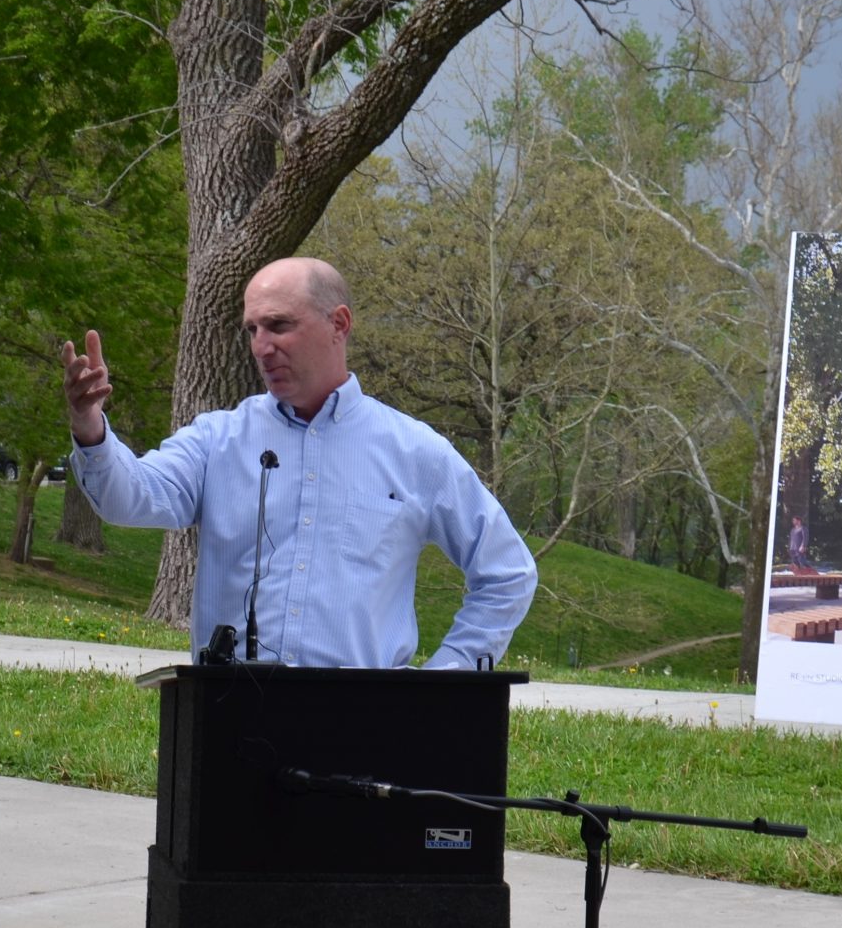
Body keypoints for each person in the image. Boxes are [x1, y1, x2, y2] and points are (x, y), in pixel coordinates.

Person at [61, 257, 536, 669]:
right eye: (252, 329)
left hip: (361, 723)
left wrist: (447, 677)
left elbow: (507, 573)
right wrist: (90, 427)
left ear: (339, 324)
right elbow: (131, 498)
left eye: (279, 325)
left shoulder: (416, 452)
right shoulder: (218, 439)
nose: (261, 347)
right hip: (229, 714)